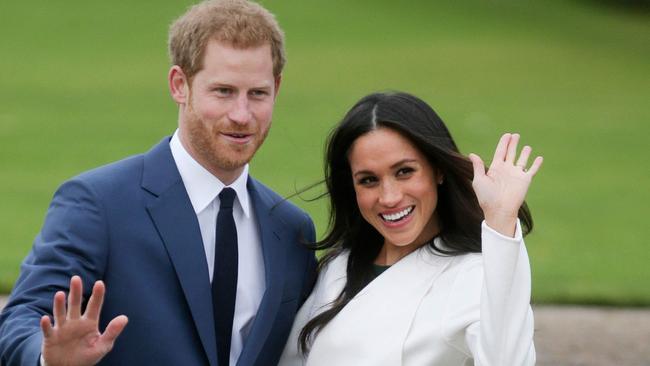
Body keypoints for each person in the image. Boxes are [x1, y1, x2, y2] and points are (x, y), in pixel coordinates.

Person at [0, 1, 317, 365]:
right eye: (223, 91)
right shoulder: (99, 204)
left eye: (257, 93)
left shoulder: (292, 231)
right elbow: (19, 320)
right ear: (179, 85)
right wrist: (46, 358)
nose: (242, 115)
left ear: (276, 88)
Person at [279, 91, 542, 365]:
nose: (389, 197)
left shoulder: (471, 275)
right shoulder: (338, 266)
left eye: (404, 171)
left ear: (437, 170)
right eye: (368, 180)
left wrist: (501, 220)